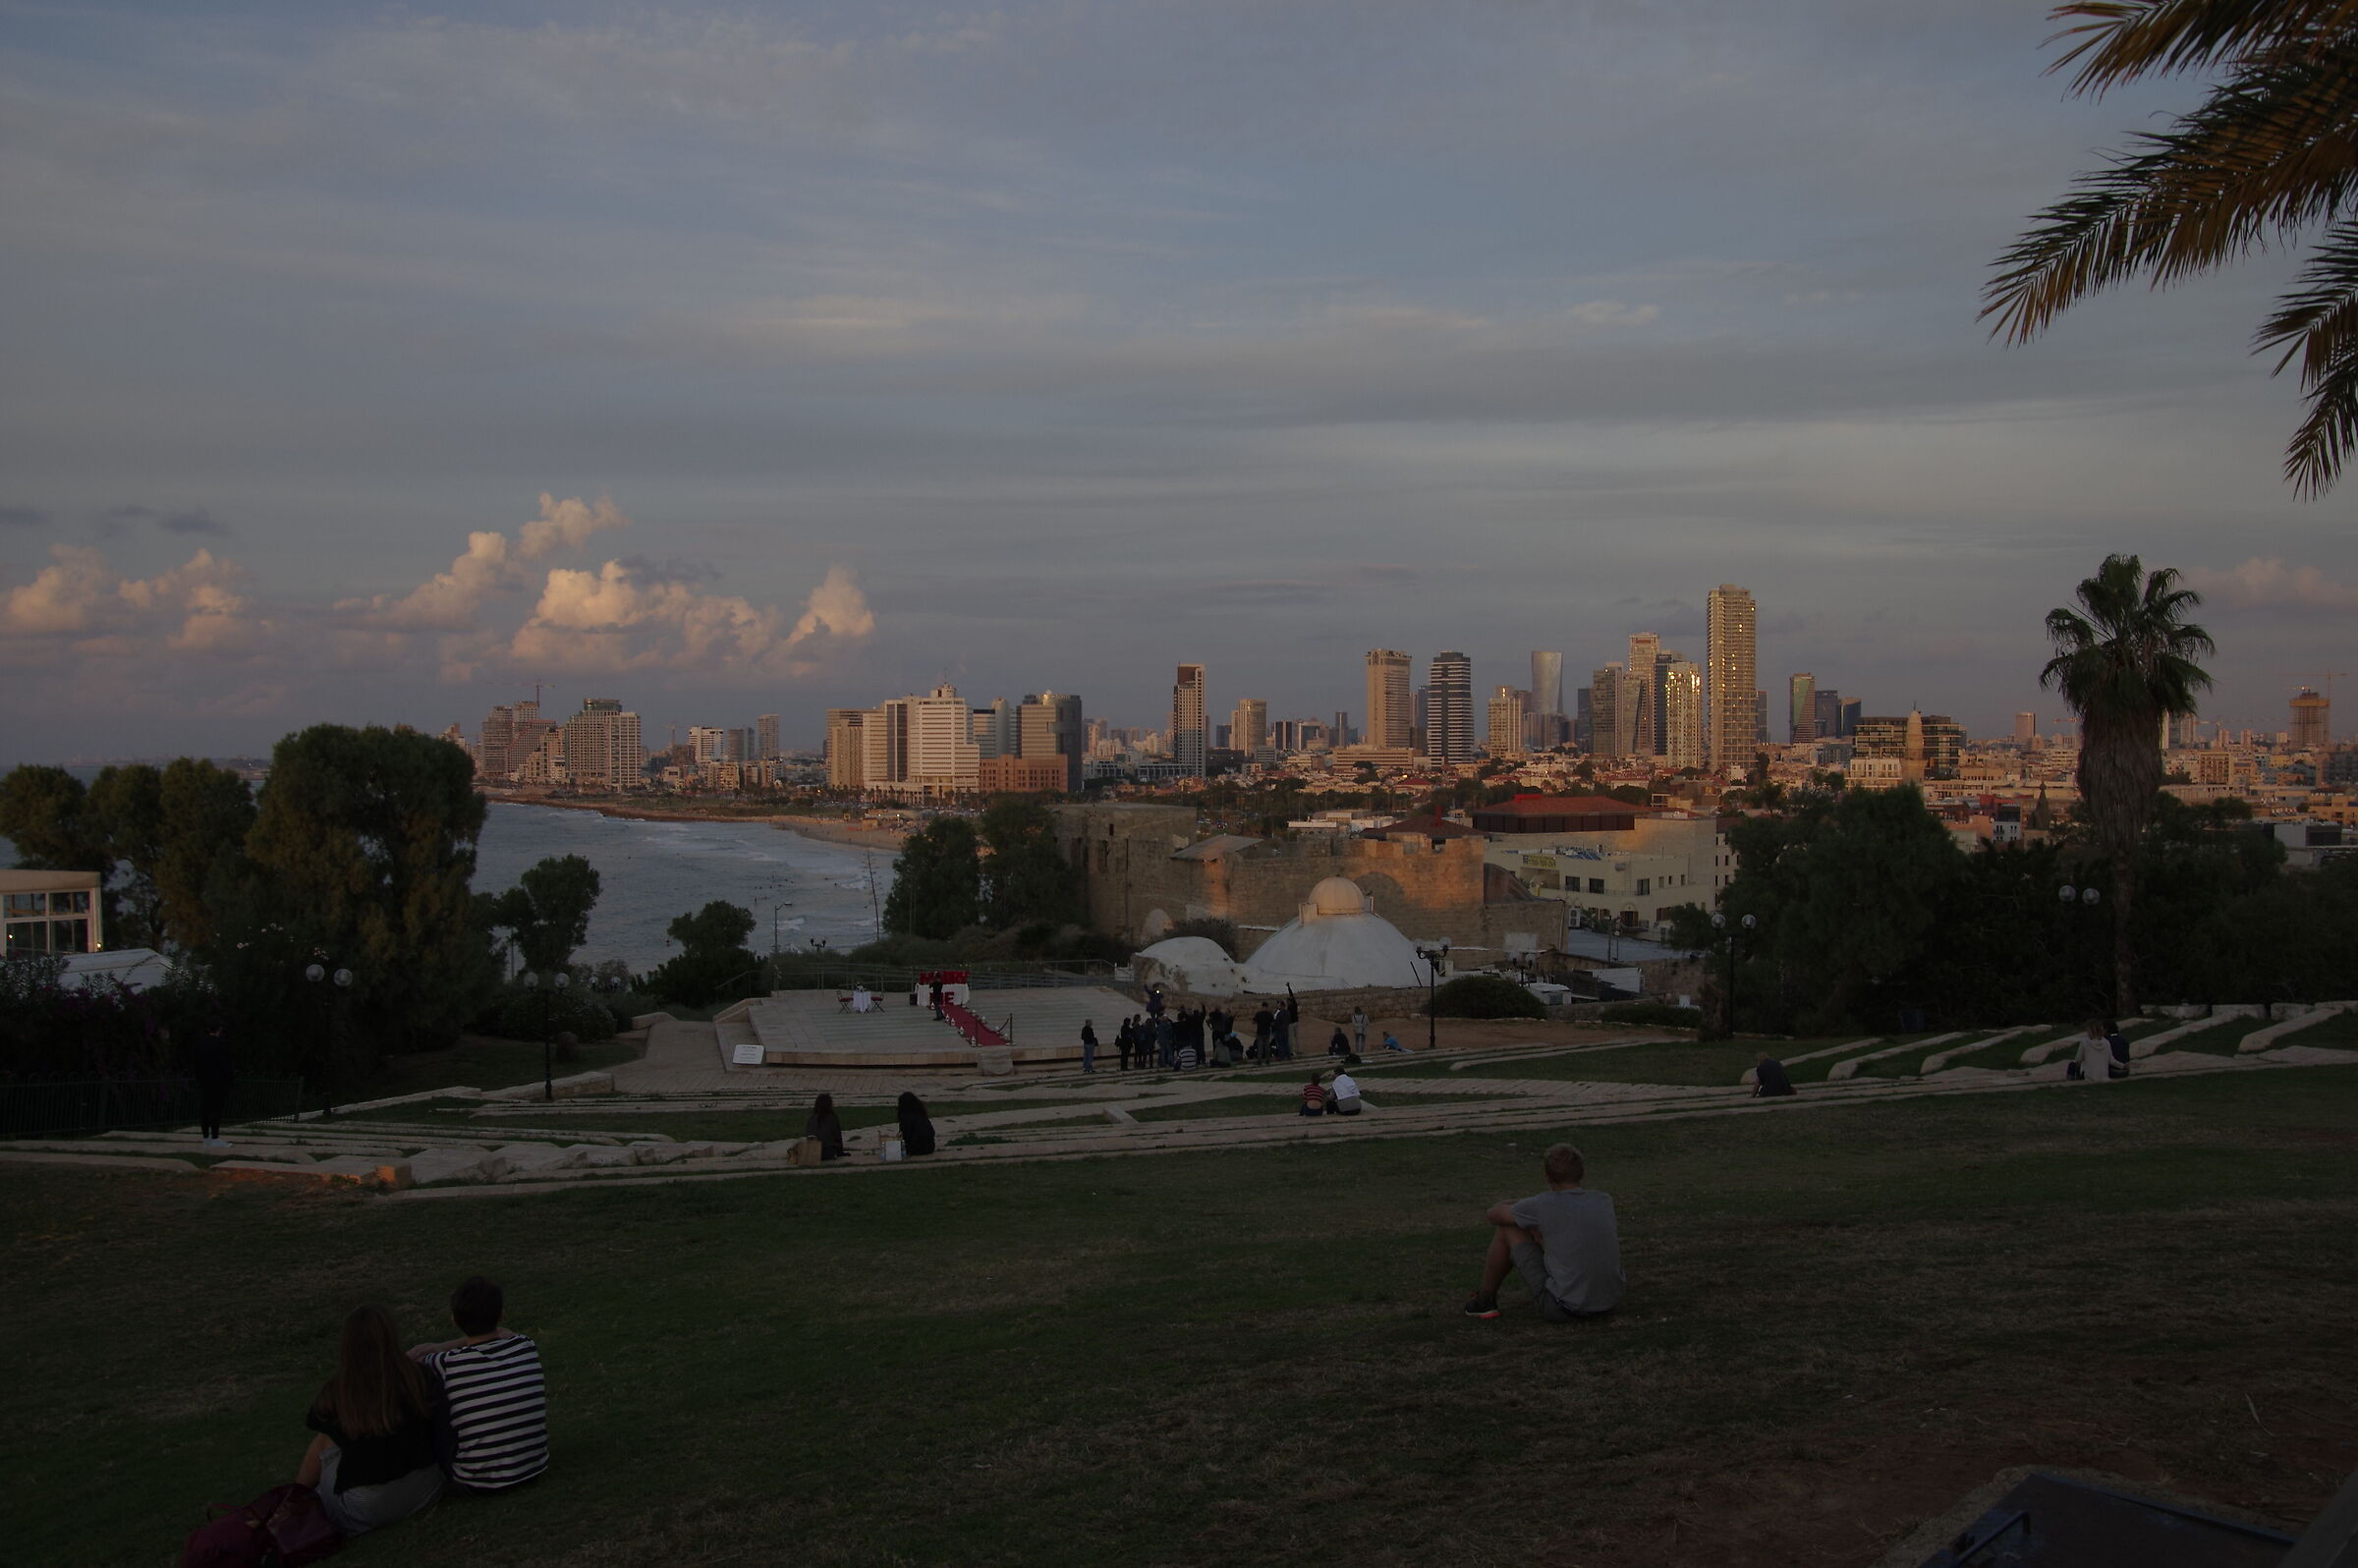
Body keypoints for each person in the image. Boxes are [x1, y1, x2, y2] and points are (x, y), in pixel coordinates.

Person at [299, 1305, 445, 1536]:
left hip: (367, 1506)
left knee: (324, 1441)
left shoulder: (337, 1392)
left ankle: (293, 1497)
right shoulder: (419, 1376)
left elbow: (320, 1431)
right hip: (427, 1487)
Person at [408, 1277, 547, 1495]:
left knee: (430, 1388)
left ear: (454, 1320)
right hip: (532, 1468)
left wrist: (440, 1346)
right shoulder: (525, 1345)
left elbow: (413, 1360)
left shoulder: (444, 1363)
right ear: (501, 1315)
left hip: (475, 1482)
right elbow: (505, 1333)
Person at [1464, 1144, 1624, 1322]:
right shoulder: (1603, 1200)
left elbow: (1493, 1214)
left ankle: (1485, 1300)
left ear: (1547, 1177)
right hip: (1608, 1304)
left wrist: (1525, 1203)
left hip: (1566, 1309)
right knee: (1540, 1232)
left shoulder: (1542, 1205)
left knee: (1507, 1228)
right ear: (1583, 1173)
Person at [193, 1019, 234, 1148]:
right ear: (219, 1030)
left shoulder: (200, 1043)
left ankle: (206, 1138)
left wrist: (199, 1078)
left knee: (205, 1109)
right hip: (218, 1081)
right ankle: (215, 1137)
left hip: (204, 1080)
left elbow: (196, 1063)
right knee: (216, 1109)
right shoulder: (221, 1044)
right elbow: (225, 1064)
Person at [805, 1092, 846, 1159]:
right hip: (828, 1152)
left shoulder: (812, 1118)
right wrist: (840, 1152)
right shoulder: (832, 1117)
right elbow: (838, 1136)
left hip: (813, 1151)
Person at [896, 1092, 936, 1156]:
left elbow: (906, 1134)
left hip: (916, 1148)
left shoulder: (905, 1116)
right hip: (930, 1147)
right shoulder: (920, 1113)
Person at [2071, 1019, 2111, 1084]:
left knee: (2072, 1065)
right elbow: (2111, 1060)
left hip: (2089, 1076)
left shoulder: (2084, 1042)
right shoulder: (2107, 1042)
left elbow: (2078, 1059)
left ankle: (2072, 1080)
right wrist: (2123, 1066)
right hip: (2103, 1076)